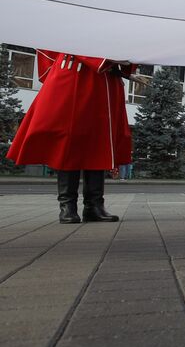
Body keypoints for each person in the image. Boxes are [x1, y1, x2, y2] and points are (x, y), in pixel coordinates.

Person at [7, 51, 134, 223]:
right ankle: (67, 206)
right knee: (69, 140)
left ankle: (94, 206)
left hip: (106, 79)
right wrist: (104, 59)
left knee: (100, 141)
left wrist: (129, 57)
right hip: (76, 73)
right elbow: (66, 40)